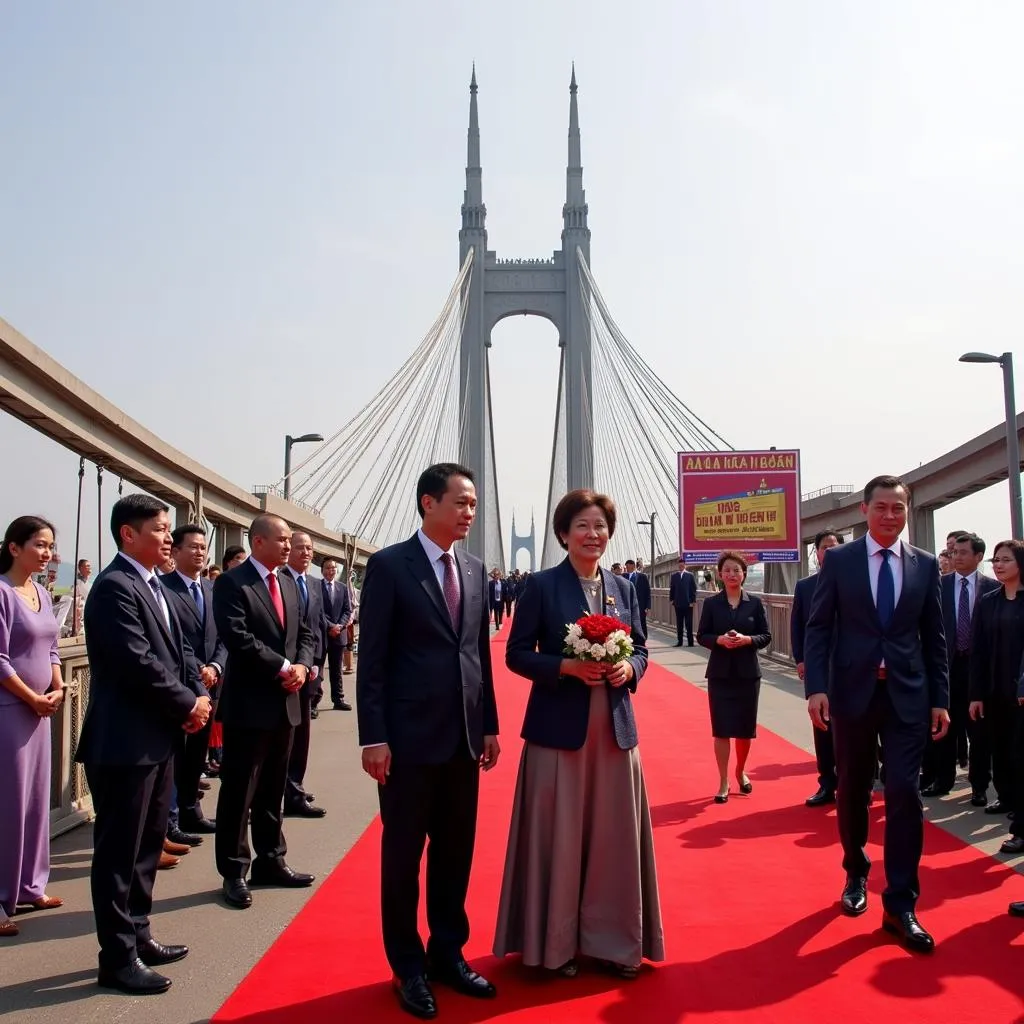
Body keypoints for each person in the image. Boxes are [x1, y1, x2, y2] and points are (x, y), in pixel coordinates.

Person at [494, 489, 663, 979]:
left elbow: (642, 651)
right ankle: (555, 945)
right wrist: (565, 665)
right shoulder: (542, 586)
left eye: (601, 527)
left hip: (613, 732)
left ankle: (614, 942)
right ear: (564, 534)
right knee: (560, 836)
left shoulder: (624, 588)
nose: (593, 535)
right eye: (583, 527)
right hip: (559, 732)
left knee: (614, 837)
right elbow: (518, 654)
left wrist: (629, 669)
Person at [357, 463, 500, 1020]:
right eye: (461, 502)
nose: (469, 512)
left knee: (455, 854)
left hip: (463, 740)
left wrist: (487, 723)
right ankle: (407, 966)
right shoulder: (391, 566)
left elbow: (477, 655)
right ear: (428, 503)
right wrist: (374, 737)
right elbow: (373, 662)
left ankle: (448, 953)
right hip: (408, 742)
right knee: (402, 857)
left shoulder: (474, 568)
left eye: (473, 504)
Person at [804, 475, 948, 954]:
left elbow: (936, 638)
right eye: (882, 507)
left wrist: (940, 697)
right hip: (851, 693)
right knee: (853, 789)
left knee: (905, 790)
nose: (890, 516)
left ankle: (901, 903)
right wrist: (817, 688)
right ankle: (855, 869)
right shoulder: (841, 561)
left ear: (907, 511)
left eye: (899, 508)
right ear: (864, 511)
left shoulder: (926, 566)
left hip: (908, 694)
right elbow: (819, 626)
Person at [78, 495, 211, 994]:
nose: (167, 538)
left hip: (156, 739)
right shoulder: (115, 587)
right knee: (118, 853)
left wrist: (195, 695)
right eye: (158, 529)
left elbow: (177, 655)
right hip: (123, 743)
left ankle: (138, 933)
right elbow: (136, 662)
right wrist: (186, 704)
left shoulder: (152, 585)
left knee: (146, 846)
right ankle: (116, 957)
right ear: (127, 535)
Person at [212, 514, 316, 910]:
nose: (289, 546)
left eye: (291, 540)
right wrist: (283, 667)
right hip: (250, 704)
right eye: (283, 539)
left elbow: (304, 632)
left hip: (286, 702)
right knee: (240, 790)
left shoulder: (287, 581)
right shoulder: (232, 583)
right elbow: (237, 638)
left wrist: (303, 666)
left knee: (273, 787)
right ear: (258, 542)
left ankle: (271, 859)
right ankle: (234, 869)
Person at [0, 516, 65, 938]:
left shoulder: (41, 591)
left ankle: (29, 884)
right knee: (7, 803)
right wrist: (32, 696)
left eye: (49, 546)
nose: (45, 553)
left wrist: (57, 686)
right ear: (13, 547)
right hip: (11, 710)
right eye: (39, 545)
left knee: (36, 800)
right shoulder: (2, 594)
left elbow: (53, 648)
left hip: (41, 711)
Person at [160, 524, 226, 836]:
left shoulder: (214, 591)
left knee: (197, 754)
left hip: (211, 685)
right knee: (176, 755)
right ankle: (169, 820)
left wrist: (215, 666)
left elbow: (224, 637)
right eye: (193, 547)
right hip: (180, 686)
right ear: (174, 552)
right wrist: (198, 668)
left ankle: (190, 811)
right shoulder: (164, 589)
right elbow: (171, 640)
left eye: (203, 548)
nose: (199, 553)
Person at [922, 532, 998, 799]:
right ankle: (943, 780)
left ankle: (978, 787)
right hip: (946, 668)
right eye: (954, 552)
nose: (957, 557)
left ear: (978, 557)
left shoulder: (992, 588)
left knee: (979, 731)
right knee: (944, 726)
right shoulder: (939, 586)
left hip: (980, 671)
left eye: (964, 553)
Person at [697, 551, 772, 803]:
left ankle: (740, 771)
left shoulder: (755, 603)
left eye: (736, 570)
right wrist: (718, 640)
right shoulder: (711, 604)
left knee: (743, 730)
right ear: (720, 574)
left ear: (744, 574)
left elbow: (766, 636)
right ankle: (723, 780)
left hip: (748, 674)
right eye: (727, 570)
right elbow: (702, 635)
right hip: (720, 673)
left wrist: (747, 640)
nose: (732, 574)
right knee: (721, 730)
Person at [969, 539, 1024, 854]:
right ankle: (1006, 797)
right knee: (1000, 750)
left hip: (1022, 694)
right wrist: (976, 694)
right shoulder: (988, 601)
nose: (998, 565)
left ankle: (1020, 820)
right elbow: (978, 652)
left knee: (1021, 755)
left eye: (1005, 559)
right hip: (995, 691)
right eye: (995, 560)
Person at [792, 531, 843, 807]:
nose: (830, 551)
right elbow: (798, 626)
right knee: (822, 726)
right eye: (825, 547)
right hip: (820, 667)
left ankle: (862, 783)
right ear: (817, 553)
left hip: (853, 666)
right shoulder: (805, 586)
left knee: (860, 726)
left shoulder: (855, 582)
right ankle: (827, 784)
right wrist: (800, 659)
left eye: (835, 547)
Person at [283, 531, 327, 816]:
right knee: (285, 737)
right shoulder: (280, 580)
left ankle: (295, 788)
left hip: (309, 669)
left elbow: (317, 627)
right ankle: (286, 789)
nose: (306, 553)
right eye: (300, 547)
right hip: (286, 673)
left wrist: (315, 664)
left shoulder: (313, 584)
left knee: (302, 738)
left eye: (310, 549)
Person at [320, 557, 353, 710]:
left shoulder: (342, 588)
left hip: (339, 635)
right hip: (322, 634)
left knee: (336, 670)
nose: (330, 570)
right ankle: (313, 702)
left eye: (333, 568)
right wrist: (330, 626)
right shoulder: (316, 587)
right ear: (322, 570)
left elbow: (347, 610)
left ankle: (338, 699)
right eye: (327, 568)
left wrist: (339, 626)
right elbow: (316, 611)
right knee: (317, 670)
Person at [668, 559, 697, 647]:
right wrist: (671, 599)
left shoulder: (690, 575)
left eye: (682, 565)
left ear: (685, 565)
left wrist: (693, 601)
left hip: (688, 604)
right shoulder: (674, 576)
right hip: (677, 603)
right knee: (679, 624)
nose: (681, 566)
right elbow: (672, 589)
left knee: (689, 624)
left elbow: (693, 589)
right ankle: (679, 642)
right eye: (679, 565)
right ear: (678, 565)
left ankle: (690, 642)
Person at [624, 559, 651, 637]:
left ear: (633, 566)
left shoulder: (642, 576)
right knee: (630, 622)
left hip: (640, 605)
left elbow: (647, 592)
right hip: (628, 605)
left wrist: (648, 606)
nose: (627, 569)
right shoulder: (623, 576)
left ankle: (644, 638)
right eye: (626, 567)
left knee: (642, 622)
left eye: (628, 567)